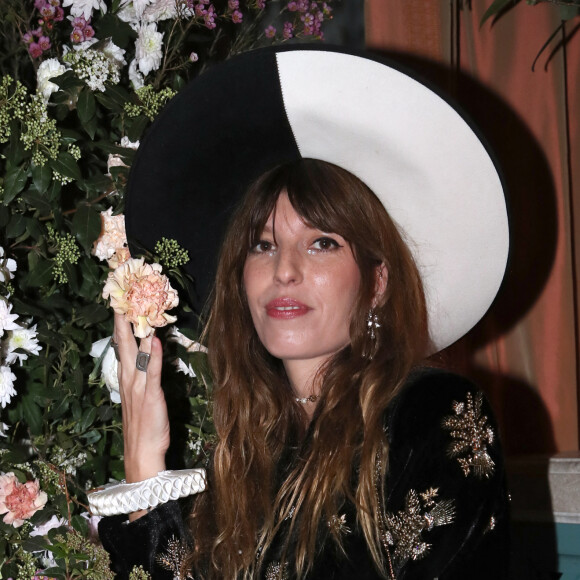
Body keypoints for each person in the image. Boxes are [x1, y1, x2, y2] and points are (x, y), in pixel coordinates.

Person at [94, 46, 511, 579]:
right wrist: (145, 467)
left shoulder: (433, 416)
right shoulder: (240, 454)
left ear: (377, 282)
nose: (284, 271)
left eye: (322, 244)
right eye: (263, 246)